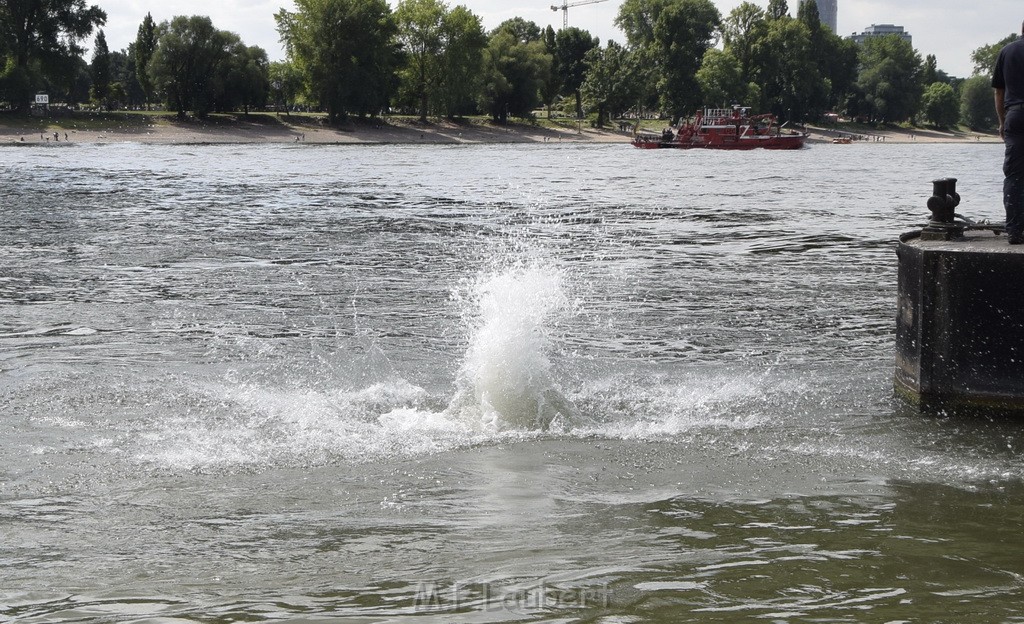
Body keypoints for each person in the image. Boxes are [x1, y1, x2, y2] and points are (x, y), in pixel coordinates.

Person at [993, 21, 1024, 244]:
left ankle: (1014, 231)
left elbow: (999, 92)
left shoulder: (1007, 51)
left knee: (1014, 176)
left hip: (1016, 115)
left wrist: (1002, 122)